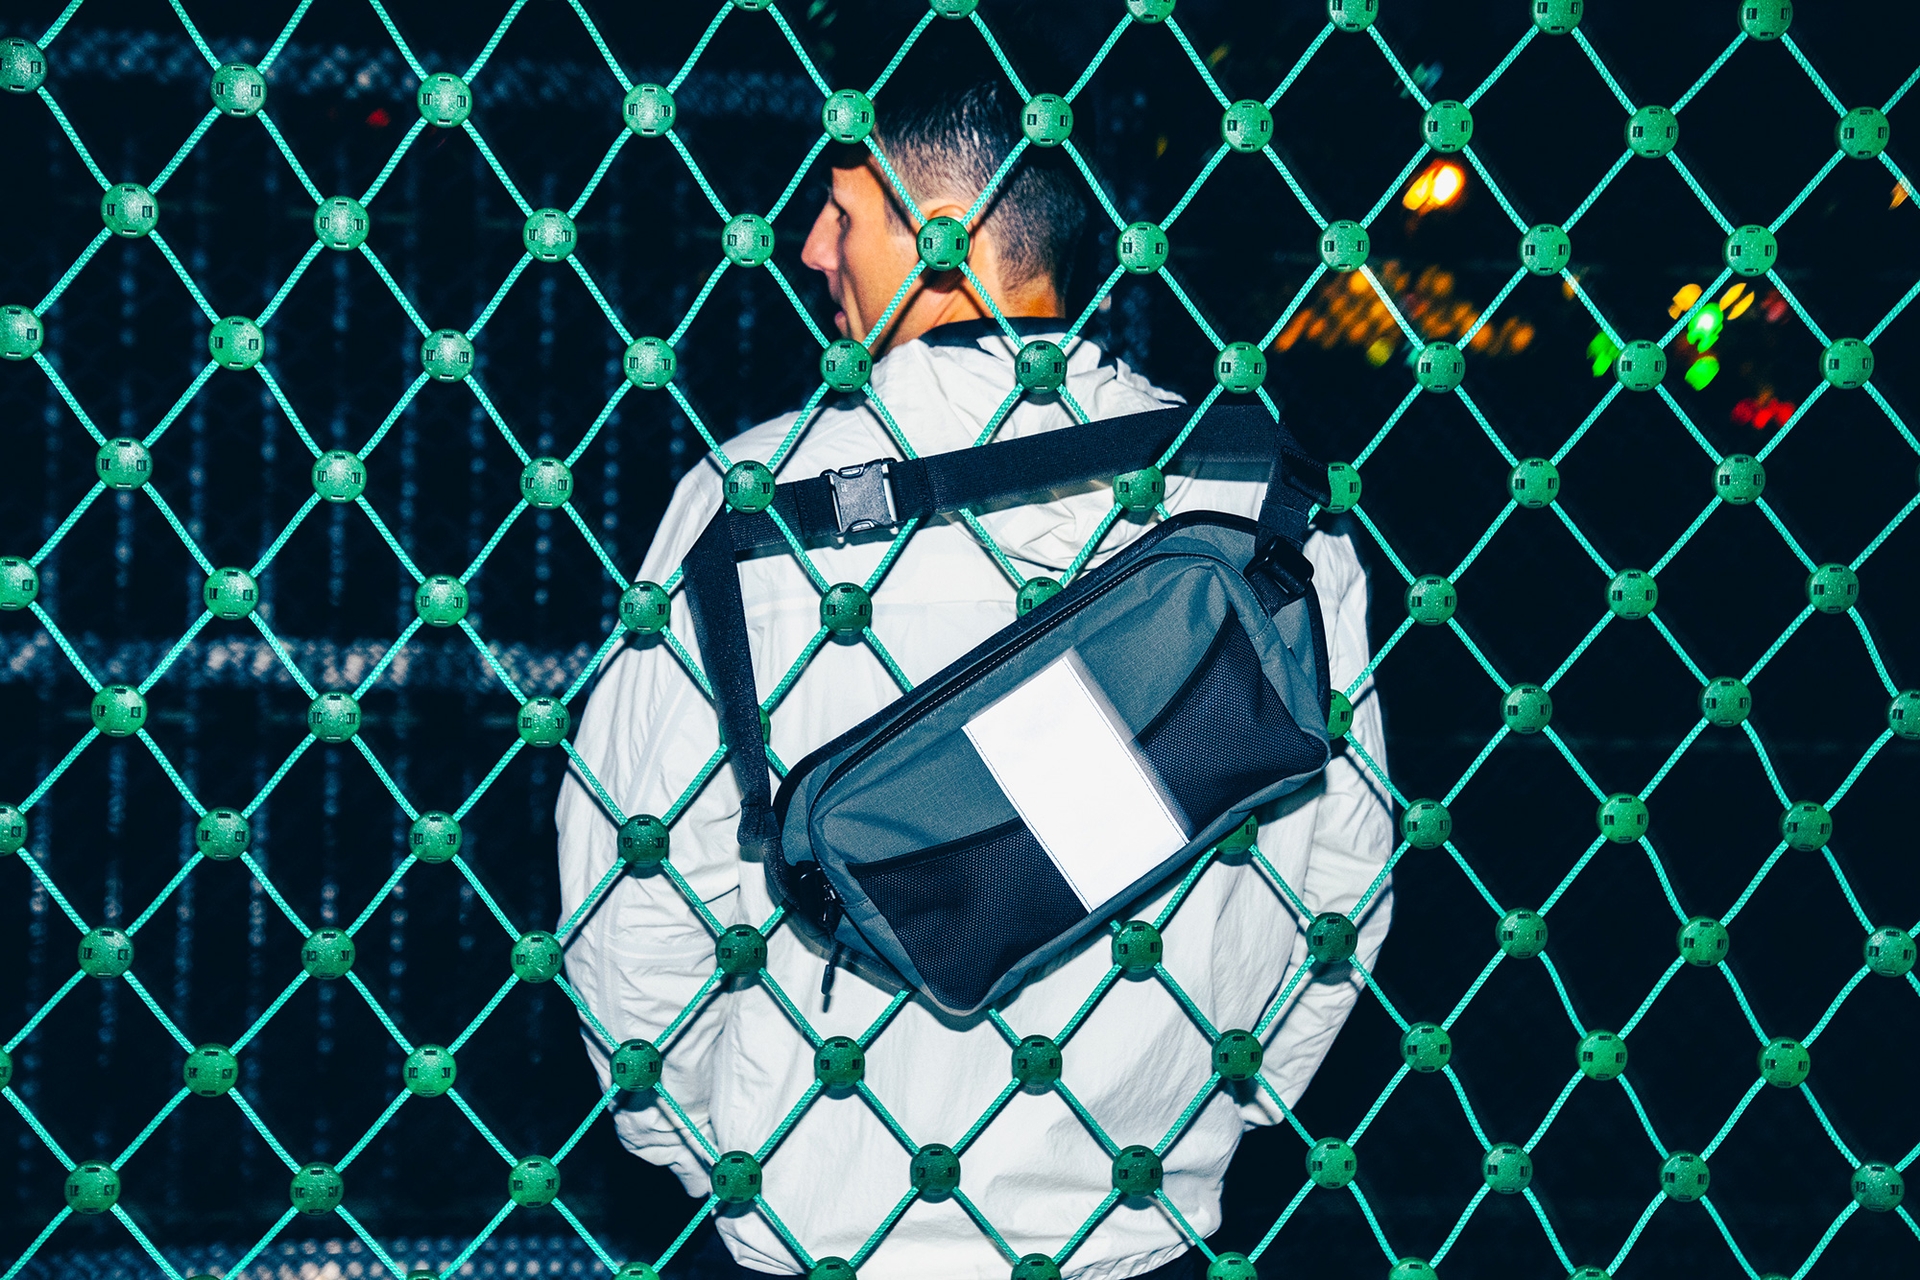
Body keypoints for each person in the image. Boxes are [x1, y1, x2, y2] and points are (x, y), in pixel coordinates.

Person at [556, 73, 1392, 1280]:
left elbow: (631, 904)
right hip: (1139, 1228)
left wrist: (731, 1151)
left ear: (939, 236)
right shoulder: (1265, 505)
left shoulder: (747, 514)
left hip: (821, 1237)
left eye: (843, 213)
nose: (810, 249)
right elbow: (1345, 872)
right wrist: (1223, 1103)